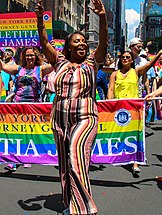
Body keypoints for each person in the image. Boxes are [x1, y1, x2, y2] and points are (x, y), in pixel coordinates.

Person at [35, 0, 108, 214]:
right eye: (77, 41)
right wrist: (40, 20)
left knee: (76, 155)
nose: (82, 44)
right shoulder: (60, 62)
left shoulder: (92, 63)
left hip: (86, 118)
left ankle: (84, 207)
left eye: (84, 41)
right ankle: (70, 203)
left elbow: (103, 42)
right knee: (66, 164)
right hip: (60, 120)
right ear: (68, 46)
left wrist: (103, 17)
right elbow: (44, 41)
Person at [107, 48, 162, 175]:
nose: (125, 59)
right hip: (119, 109)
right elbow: (111, 89)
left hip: (134, 109)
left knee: (135, 134)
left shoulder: (136, 72)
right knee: (120, 134)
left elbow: (150, 64)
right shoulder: (114, 74)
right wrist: (110, 103)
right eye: (123, 57)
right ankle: (121, 155)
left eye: (128, 57)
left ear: (132, 60)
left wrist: (158, 54)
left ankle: (135, 162)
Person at [0, 46, 54, 171]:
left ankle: (27, 158)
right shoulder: (18, 69)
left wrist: (50, 47)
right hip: (18, 106)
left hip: (34, 107)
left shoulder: (40, 69)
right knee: (16, 132)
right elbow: (3, 67)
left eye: (32, 55)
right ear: (23, 57)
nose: (29, 57)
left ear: (36, 57)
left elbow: (55, 64)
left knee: (30, 132)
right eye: (27, 55)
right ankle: (13, 161)